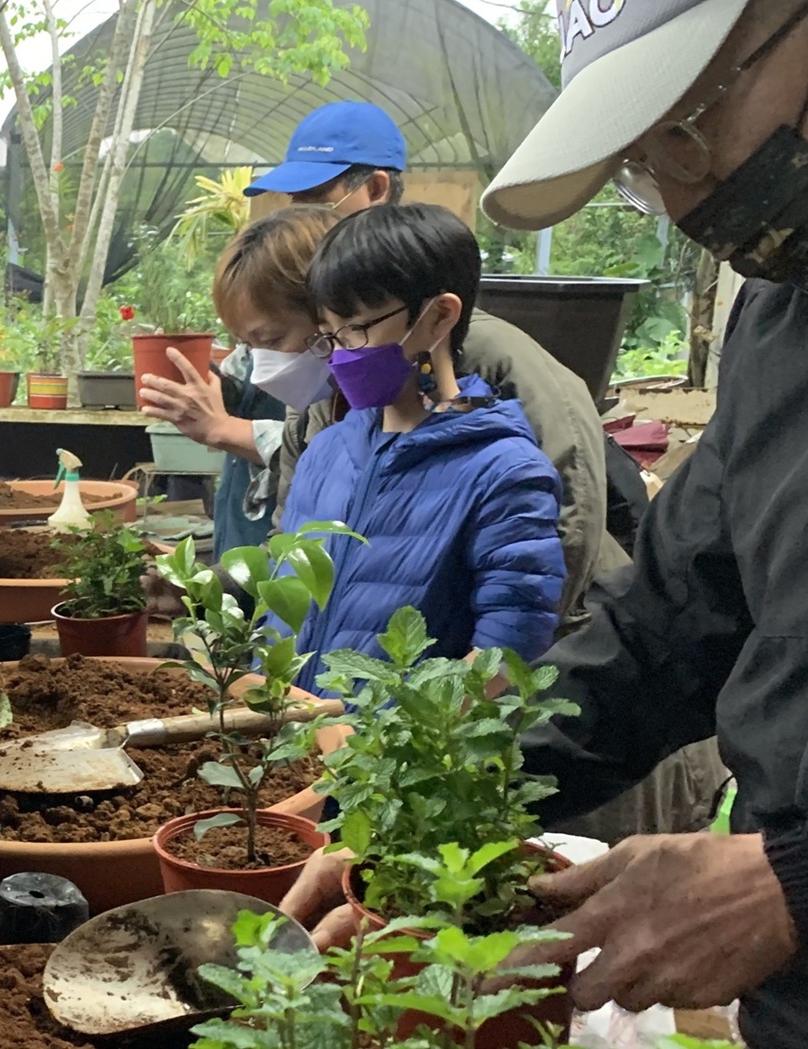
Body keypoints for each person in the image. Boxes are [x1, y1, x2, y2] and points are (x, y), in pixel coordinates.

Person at [286, 2, 808, 1041]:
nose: (678, 196)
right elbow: (666, 622)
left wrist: (790, 879)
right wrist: (416, 805)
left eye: (684, 126)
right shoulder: (779, 315)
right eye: (636, 163)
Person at [140, 100, 619, 626]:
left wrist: (510, 652)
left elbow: (564, 526)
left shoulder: (483, 358)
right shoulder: (321, 402)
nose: (267, 363)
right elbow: (299, 547)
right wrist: (212, 589)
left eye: (274, 338)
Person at [274, 204, 564, 680]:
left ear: (439, 316)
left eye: (356, 329)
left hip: (391, 732)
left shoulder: (503, 471)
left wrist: (391, 726)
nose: (341, 355)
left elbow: (508, 652)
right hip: (291, 726)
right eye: (329, 335)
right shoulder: (325, 452)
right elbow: (284, 604)